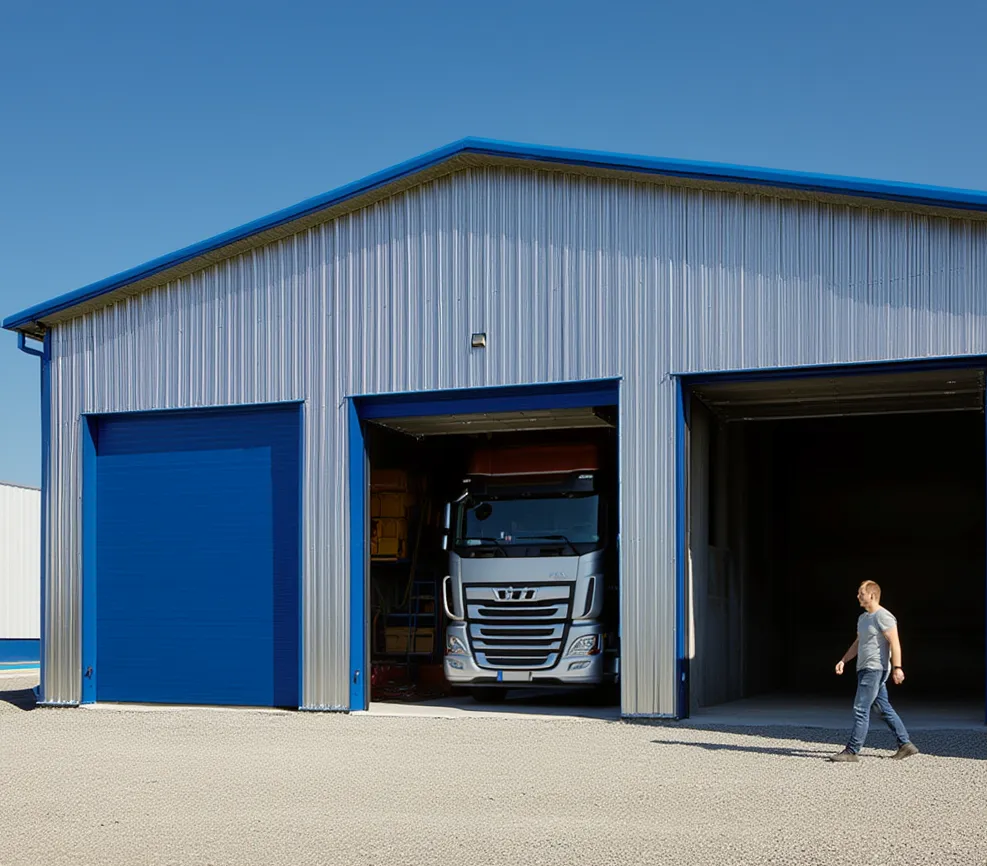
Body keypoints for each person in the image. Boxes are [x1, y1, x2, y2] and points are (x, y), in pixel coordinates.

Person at [828, 580, 919, 762]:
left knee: (860, 708)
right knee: (883, 707)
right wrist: (843, 660)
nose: (858, 596)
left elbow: (895, 643)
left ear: (872, 595)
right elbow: (858, 643)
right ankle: (905, 744)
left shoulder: (883, 616)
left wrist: (897, 668)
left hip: (875, 669)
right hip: (864, 668)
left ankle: (852, 751)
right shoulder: (863, 619)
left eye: (861, 593)